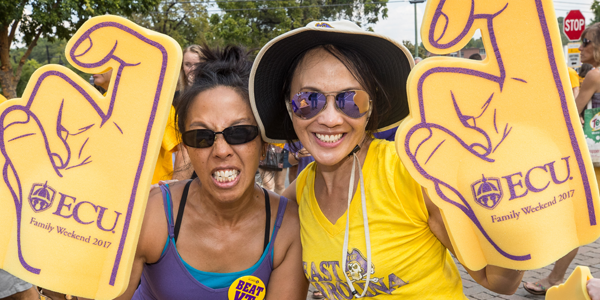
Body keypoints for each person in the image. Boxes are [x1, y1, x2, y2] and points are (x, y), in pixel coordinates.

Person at [250, 20, 523, 299]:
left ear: (371, 106)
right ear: (289, 106)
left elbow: (498, 282)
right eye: (309, 99)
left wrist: (518, 216)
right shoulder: (299, 196)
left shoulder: (411, 175)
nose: (330, 119)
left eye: (351, 100)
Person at [118, 45, 306, 299]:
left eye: (239, 133)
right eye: (201, 136)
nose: (220, 150)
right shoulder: (154, 213)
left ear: (264, 146)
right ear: (187, 148)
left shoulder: (287, 228)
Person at [523, 23, 600, 296]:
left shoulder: (593, 76)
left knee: (579, 219)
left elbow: (571, 117)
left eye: (586, 42)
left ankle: (555, 278)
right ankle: (555, 276)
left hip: (593, 163)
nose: (581, 47)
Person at [173, 45, 203, 180]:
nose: (192, 69)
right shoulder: (172, 98)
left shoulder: (213, 97)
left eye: (197, 65)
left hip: (202, 157)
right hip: (176, 158)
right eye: (188, 64)